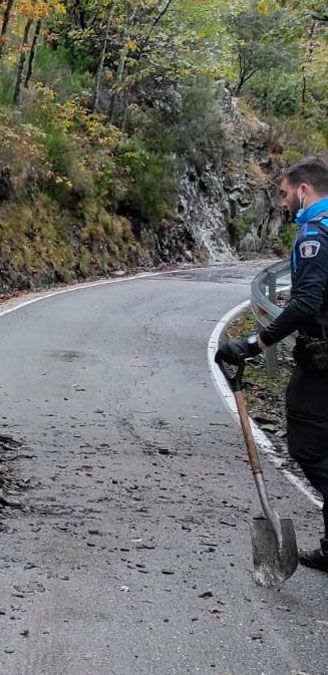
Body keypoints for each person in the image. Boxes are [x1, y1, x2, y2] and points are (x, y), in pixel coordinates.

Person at [218, 156, 328, 571]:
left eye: (284, 194)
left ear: (303, 190)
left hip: (322, 363)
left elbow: (304, 304)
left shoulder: (314, 235)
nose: (282, 203)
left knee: (308, 445)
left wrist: (254, 341)